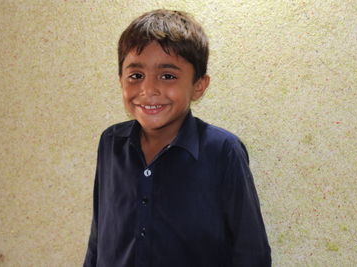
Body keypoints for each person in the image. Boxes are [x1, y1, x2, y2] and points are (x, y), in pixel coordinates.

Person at [83, 9, 271, 267]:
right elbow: (99, 236)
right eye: (135, 75)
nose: (148, 89)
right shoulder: (110, 143)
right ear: (120, 80)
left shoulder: (223, 151)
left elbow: (251, 253)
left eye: (168, 76)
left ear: (198, 86)